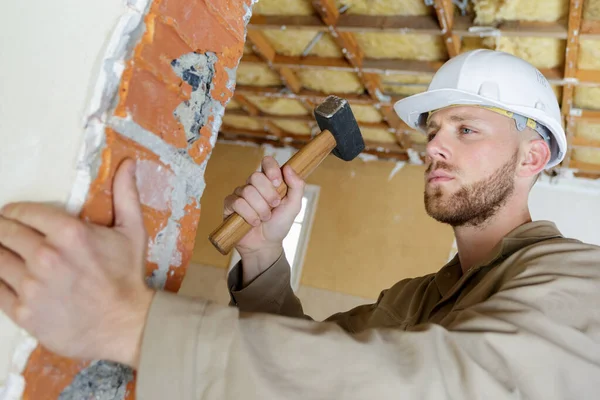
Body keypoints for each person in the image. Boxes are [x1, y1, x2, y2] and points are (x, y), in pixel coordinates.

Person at [1, 49, 599, 399]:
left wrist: (128, 322)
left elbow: (438, 386)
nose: (435, 148)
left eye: (465, 129)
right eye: (433, 130)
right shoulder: (415, 299)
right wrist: (263, 253)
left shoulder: (577, 280)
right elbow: (304, 360)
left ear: (531, 157)